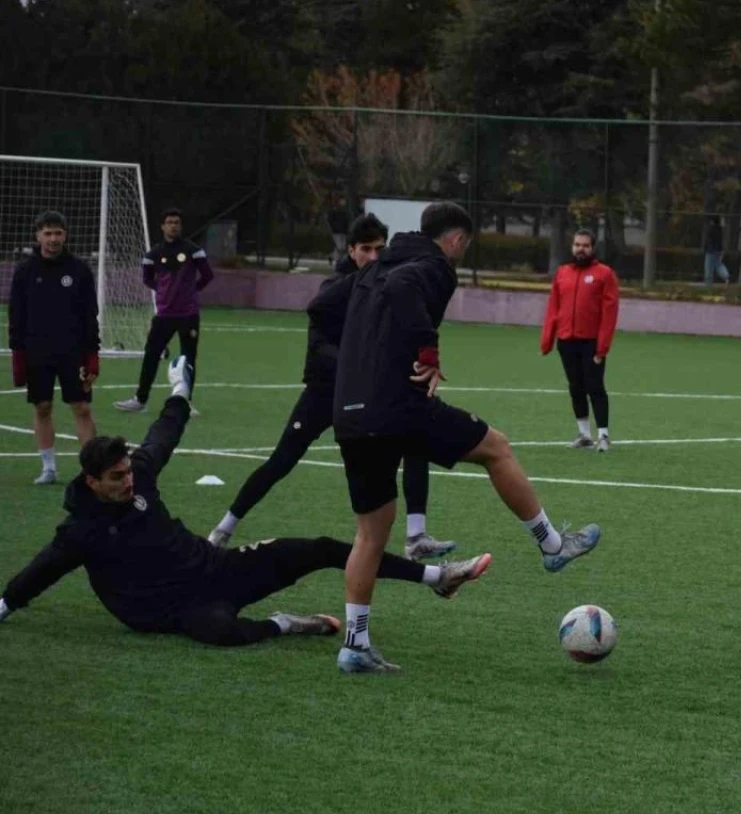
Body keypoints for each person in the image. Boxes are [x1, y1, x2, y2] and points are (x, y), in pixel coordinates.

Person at [0, 356, 491, 652]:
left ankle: (437, 577)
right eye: (116, 478)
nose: (128, 481)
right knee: (221, 632)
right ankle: (285, 624)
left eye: (128, 472)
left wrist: (179, 390)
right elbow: (42, 570)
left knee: (317, 548)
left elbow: (163, 435)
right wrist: (5, 603)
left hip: (219, 569)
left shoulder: (139, 474)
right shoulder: (81, 530)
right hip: (170, 612)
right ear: (91, 482)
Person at [326, 201, 601, 674]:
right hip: (395, 406)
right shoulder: (432, 265)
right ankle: (553, 546)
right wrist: (428, 350)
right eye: (465, 245)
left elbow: (325, 303)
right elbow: (403, 288)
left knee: (370, 533)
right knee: (496, 446)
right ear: (456, 240)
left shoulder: (374, 265)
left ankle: (355, 645)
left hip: (349, 412)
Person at [207, 215, 456, 560]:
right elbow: (320, 345)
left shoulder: (387, 283)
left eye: (379, 249)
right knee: (282, 460)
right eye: (365, 249)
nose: (373, 256)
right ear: (351, 250)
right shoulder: (338, 288)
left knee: (416, 441)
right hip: (327, 392)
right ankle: (224, 528)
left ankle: (416, 537)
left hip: (370, 395)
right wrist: (360, 366)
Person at [7, 210, 99, 485]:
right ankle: (49, 468)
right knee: (43, 407)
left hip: (73, 351)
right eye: (47, 233)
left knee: (81, 408)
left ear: (65, 235)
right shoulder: (25, 271)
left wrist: (92, 355)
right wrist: (18, 354)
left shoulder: (79, 270)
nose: (53, 238)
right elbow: (16, 315)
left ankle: (91, 472)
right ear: (37, 236)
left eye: (58, 232)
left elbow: (89, 315)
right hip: (37, 352)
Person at [114, 208, 214, 414]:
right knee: (151, 354)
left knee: (188, 357)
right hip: (164, 314)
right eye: (169, 222)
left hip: (188, 314)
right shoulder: (153, 254)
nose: (173, 225)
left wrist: (192, 292)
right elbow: (147, 278)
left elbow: (207, 275)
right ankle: (140, 400)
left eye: (177, 222)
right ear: (162, 226)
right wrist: (162, 292)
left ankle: (185, 402)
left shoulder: (193, 250)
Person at [539, 228, 620, 451]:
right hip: (566, 340)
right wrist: (547, 339)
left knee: (595, 386)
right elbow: (553, 308)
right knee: (575, 387)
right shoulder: (562, 272)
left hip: (591, 342)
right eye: (577, 245)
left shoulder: (605, 274)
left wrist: (602, 347)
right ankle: (584, 434)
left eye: (585, 245)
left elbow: (609, 313)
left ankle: (603, 435)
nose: (580, 249)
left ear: (593, 248)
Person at [703, 215, 729, 284]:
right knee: (718, 264)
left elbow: (708, 241)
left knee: (708, 267)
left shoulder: (711, 230)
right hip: (718, 250)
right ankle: (725, 276)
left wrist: (705, 248)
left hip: (710, 251)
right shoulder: (720, 229)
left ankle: (708, 283)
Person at [327, 199, 350, 267]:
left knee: (342, 247)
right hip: (336, 231)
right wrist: (334, 227)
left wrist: (346, 230)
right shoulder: (334, 211)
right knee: (339, 247)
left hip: (343, 231)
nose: (343, 203)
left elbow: (346, 221)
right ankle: (338, 261)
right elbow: (331, 220)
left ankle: (332, 257)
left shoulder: (344, 211)